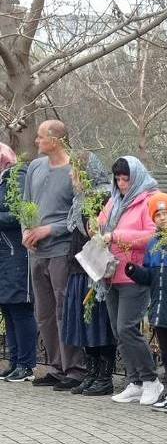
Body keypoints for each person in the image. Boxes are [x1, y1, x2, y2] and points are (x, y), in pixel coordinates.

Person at [22, 120, 85, 388]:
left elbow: (79, 213)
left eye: (40, 137)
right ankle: (56, 365)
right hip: (35, 250)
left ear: (56, 140)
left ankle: (75, 368)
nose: (36, 141)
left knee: (64, 309)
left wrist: (50, 229)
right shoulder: (36, 167)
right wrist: (26, 231)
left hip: (61, 250)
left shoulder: (75, 169)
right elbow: (25, 203)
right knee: (44, 311)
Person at [98, 156, 164, 406]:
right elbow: (102, 224)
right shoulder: (114, 200)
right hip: (110, 272)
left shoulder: (149, 199)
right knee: (118, 330)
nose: (122, 183)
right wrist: (95, 227)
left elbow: (153, 234)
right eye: (118, 179)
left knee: (127, 327)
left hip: (133, 272)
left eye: (126, 179)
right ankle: (135, 381)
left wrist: (116, 235)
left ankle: (151, 380)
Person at [126, 192, 167, 413]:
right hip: (160, 307)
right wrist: (134, 271)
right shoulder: (154, 243)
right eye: (157, 215)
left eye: (166, 213)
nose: (162, 218)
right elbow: (150, 277)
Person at [60, 152, 117, 396]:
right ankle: (92, 371)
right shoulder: (80, 198)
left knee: (97, 323)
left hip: (94, 269)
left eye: (75, 172)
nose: (72, 177)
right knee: (84, 323)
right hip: (78, 267)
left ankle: (104, 375)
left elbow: (99, 230)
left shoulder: (103, 195)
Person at [0, 143, 37, 382]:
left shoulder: (16, 177)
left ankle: (27, 364)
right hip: (3, 252)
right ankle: (14, 361)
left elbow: (23, 213)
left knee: (20, 307)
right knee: (7, 308)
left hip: (17, 252)